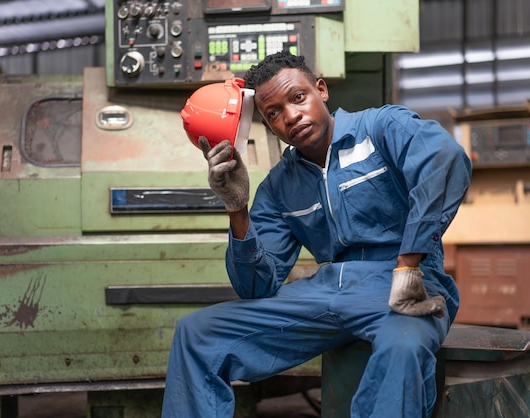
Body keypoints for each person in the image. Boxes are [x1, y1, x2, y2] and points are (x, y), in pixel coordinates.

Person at [162, 51, 472, 418]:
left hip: (404, 284)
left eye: (297, 98)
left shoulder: (380, 128)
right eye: (273, 113)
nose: (291, 116)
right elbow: (256, 288)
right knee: (196, 334)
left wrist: (409, 263)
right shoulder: (279, 186)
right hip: (326, 293)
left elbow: (444, 160)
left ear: (320, 90)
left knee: (402, 348)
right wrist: (237, 207)